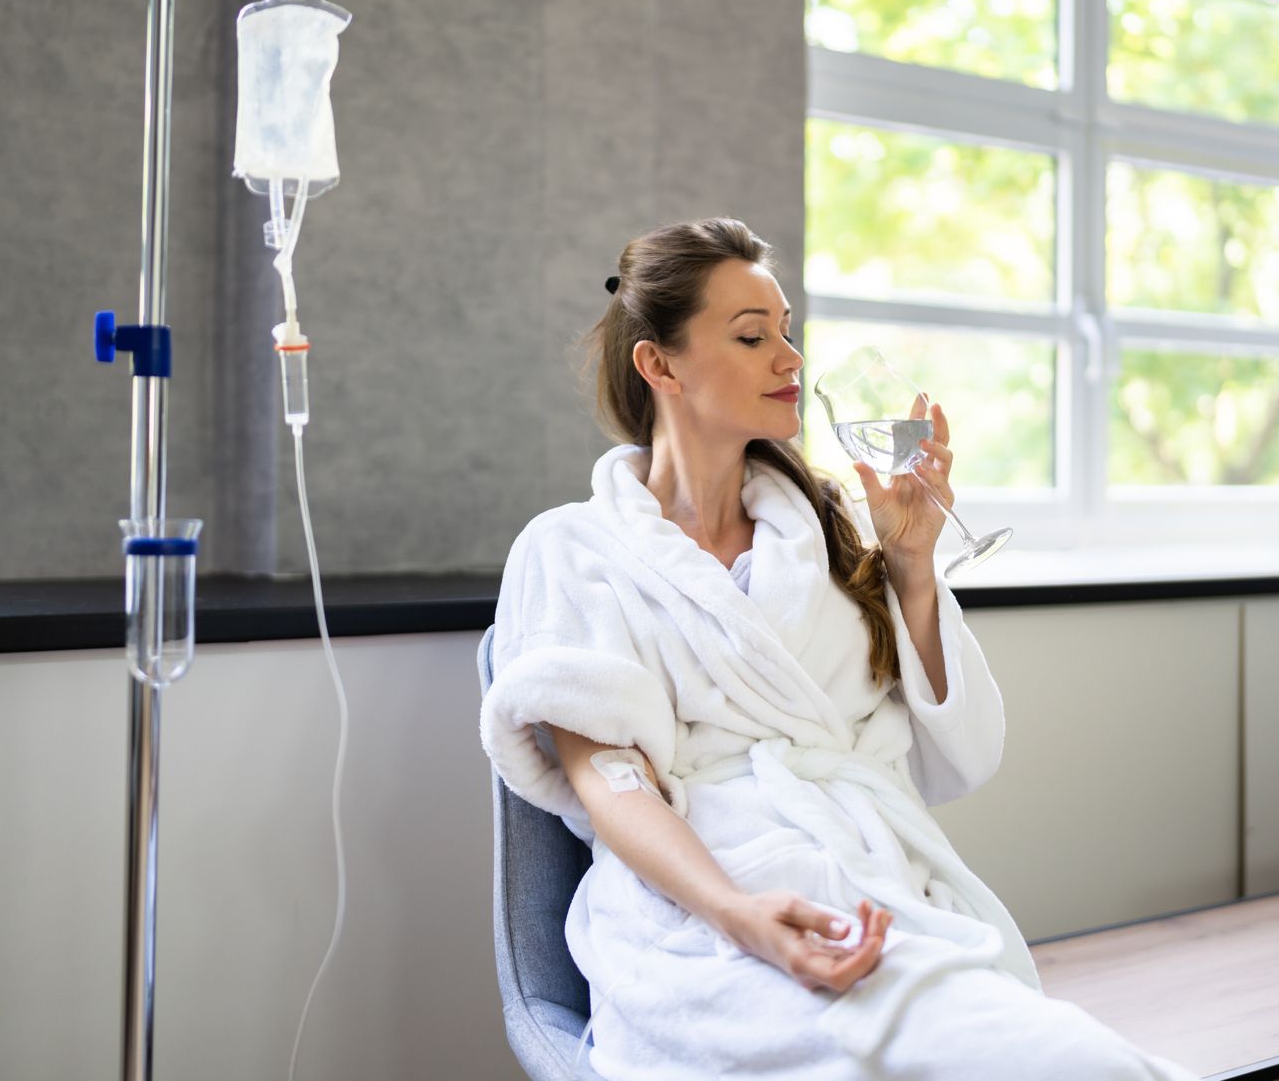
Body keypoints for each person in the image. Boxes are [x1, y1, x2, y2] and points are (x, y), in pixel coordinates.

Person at [480, 218, 1197, 1079]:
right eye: (752, 336)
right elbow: (611, 779)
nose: (790, 358)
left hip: (874, 890)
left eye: (788, 332)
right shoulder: (571, 550)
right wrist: (739, 912)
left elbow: (957, 759)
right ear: (659, 365)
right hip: (696, 921)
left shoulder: (826, 530)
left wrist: (912, 564)